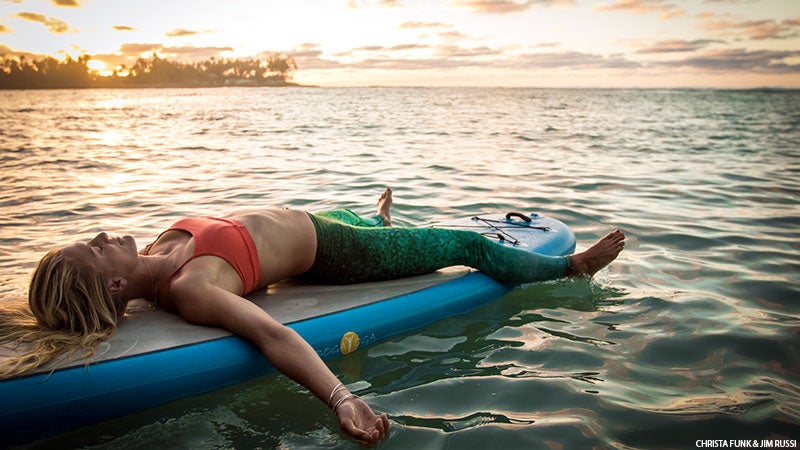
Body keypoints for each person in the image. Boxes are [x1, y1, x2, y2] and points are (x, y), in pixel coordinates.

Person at [0, 188, 624, 446]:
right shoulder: (193, 287)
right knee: (463, 245)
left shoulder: (158, 254)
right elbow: (271, 332)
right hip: (337, 256)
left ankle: (377, 218)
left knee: (362, 219)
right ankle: (570, 271)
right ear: (110, 282)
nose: (105, 233)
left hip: (321, 224)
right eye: (96, 246)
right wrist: (339, 397)